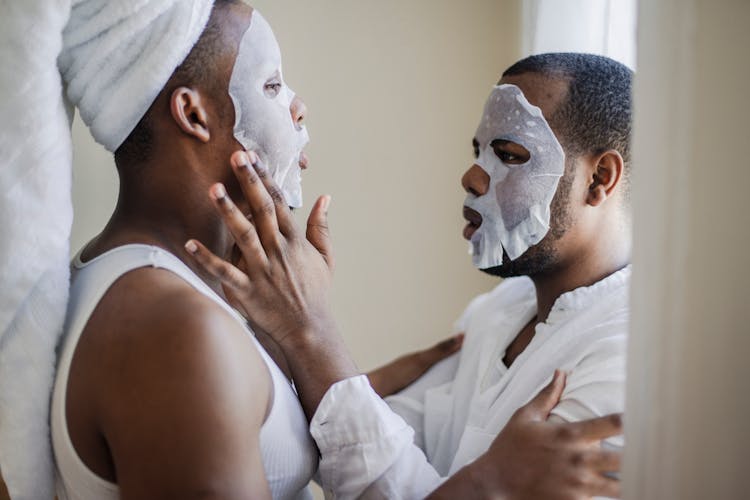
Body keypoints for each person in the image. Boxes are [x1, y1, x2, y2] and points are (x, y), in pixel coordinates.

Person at [45, 1, 623, 498]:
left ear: (603, 179)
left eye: (511, 155)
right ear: (193, 113)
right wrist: (487, 486)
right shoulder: (174, 328)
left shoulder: (170, 291)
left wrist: (315, 360)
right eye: (272, 85)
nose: (299, 106)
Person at [186, 53, 630, 498]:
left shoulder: (628, 365)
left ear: (599, 179)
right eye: (478, 152)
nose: (472, 177)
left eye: (509, 155)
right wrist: (286, 324)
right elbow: (355, 456)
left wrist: (309, 330)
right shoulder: (494, 316)